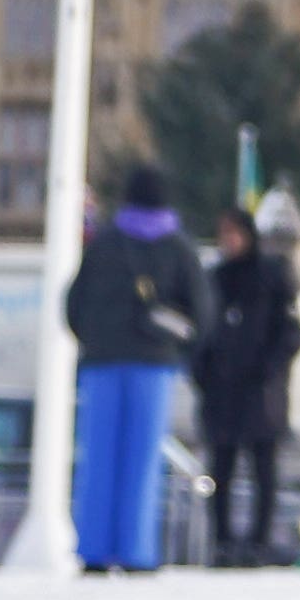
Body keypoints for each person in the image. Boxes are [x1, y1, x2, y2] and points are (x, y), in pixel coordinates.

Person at [60, 163, 203, 573]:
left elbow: (74, 304)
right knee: (142, 461)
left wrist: (95, 340)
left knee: (98, 458)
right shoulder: (178, 247)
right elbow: (201, 312)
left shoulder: (105, 243)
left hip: (103, 363)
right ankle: (137, 550)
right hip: (153, 364)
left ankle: (94, 550)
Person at [189, 204, 295, 563]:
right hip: (222, 393)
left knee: (263, 467)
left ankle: (259, 541)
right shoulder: (214, 278)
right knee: (221, 468)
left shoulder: (271, 276)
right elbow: (200, 331)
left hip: (259, 392)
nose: (229, 242)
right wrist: (202, 372)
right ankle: (222, 540)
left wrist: (270, 368)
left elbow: (290, 331)